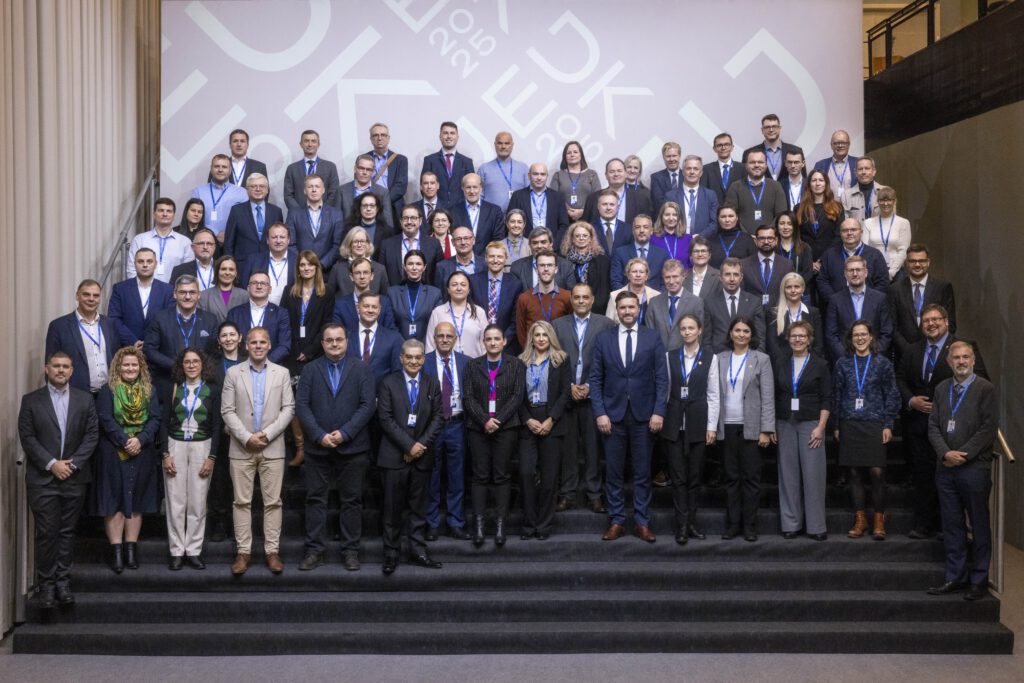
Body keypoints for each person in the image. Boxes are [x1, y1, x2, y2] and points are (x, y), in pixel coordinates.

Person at [896, 304, 987, 539]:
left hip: (953, 430)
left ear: (946, 322)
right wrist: (910, 400)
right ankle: (924, 523)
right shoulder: (912, 350)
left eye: (936, 319)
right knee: (922, 476)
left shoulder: (961, 349)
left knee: (949, 481)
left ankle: (947, 527)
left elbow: (981, 382)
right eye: (926, 320)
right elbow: (900, 379)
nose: (931, 324)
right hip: (918, 425)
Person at [18, 352, 99, 607]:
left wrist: (72, 464)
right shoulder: (31, 401)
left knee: (67, 532)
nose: (61, 370)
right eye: (56, 366)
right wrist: (52, 465)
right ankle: (47, 586)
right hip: (43, 479)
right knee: (46, 533)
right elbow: (28, 437)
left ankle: (63, 582)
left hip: (74, 478)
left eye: (65, 366)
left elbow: (91, 435)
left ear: (72, 371)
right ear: (47, 369)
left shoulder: (85, 400)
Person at [295, 323, 377, 572]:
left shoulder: (362, 369)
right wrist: (319, 435)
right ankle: (314, 551)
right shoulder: (310, 370)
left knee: (351, 500)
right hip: (317, 447)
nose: (334, 344)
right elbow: (302, 406)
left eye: (338, 340)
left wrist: (345, 433)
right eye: (329, 340)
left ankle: (350, 551)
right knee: (315, 499)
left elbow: (367, 406)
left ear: (346, 341)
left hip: (352, 447)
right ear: (322, 344)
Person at [589, 291, 668, 542]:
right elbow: (595, 379)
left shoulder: (652, 338)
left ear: (638, 308)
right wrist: (600, 412)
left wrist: (658, 411)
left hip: (645, 417)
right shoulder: (603, 339)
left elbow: (661, 379)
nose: (627, 312)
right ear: (616, 309)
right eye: (622, 308)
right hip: (612, 416)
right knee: (613, 472)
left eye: (631, 307)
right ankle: (617, 520)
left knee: (643, 472)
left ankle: (642, 522)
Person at [926, 342, 999, 602]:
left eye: (965, 356)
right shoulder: (941, 389)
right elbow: (933, 425)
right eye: (956, 357)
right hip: (945, 469)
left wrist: (963, 455)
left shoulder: (986, 389)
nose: (960, 361)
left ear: (973, 360)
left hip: (974, 469)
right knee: (952, 525)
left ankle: (978, 579)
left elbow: (988, 428)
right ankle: (955, 577)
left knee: (978, 524)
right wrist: (945, 453)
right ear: (948, 362)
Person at [221, 326, 295, 576]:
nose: (258, 346)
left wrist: (268, 434)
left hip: (272, 446)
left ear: (270, 345)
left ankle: (271, 552)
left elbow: (288, 409)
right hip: (241, 448)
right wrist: (246, 437)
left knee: (273, 502)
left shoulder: (282, 373)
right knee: (241, 502)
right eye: (254, 342)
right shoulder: (233, 373)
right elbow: (227, 411)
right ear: (246, 345)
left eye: (263, 342)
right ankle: (244, 552)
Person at [376, 339, 445, 574]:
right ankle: (391, 554)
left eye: (418, 357)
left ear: (423, 359)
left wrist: (419, 446)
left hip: (422, 457)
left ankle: (418, 551)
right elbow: (385, 419)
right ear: (401, 359)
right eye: (409, 357)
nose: (414, 361)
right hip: (393, 457)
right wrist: (408, 446)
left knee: (419, 508)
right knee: (392, 509)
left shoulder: (432, 382)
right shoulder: (388, 383)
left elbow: (438, 417)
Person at [94, 347, 162, 572]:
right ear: (117, 367)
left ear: (141, 367)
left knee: (137, 500)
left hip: (143, 451)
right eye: (126, 365)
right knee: (115, 500)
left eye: (134, 365)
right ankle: (117, 552)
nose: (130, 368)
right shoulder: (108, 390)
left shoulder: (150, 390)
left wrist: (140, 440)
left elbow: (155, 419)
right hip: (113, 451)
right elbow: (105, 419)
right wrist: (125, 441)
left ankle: (131, 550)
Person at [832, 321, 900, 541]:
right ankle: (860, 519)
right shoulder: (842, 363)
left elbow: (892, 394)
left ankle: (879, 519)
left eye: (864, 334)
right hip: (849, 422)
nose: (860, 338)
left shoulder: (883, 364)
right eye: (855, 335)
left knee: (877, 472)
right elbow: (836, 395)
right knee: (854, 473)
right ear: (851, 339)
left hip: (875, 423)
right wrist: (836, 424)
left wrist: (888, 423)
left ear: (872, 337)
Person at [552, 283, 616, 513]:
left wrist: (589, 386)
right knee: (568, 449)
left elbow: (611, 359)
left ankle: (594, 494)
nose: (580, 301)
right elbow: (553, 359)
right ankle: (567, 494)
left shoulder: (606, 324)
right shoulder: (557, 325)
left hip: (594, 396)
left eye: (585, 297)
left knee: (592, 449)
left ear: (592, 300)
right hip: (565, 396)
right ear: (572, 300)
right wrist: (569, 386)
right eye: (576, 297)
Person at [464, 324, 526, 547]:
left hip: (506, 427)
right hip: (477, 427)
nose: (492, 342)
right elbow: (468, 397)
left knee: (501, 475)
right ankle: (479, 526)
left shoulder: (516, 364)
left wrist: (497, 420)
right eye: (488, 339)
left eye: (496, 339)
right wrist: (484, 420)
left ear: (504, 341)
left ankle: (501, 525)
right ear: (483, 342)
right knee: (480, 476)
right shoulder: (472, 366)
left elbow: (517, 396)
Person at [713, 317, 774, 541]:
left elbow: (767, 396)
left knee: (750, 479)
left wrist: (766, 429)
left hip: (751, 427)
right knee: (731, 478)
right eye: (737, 330)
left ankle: (749, 525)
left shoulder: (762, 359)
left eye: (745, 331)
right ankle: (732, 524)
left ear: (751, 334)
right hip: (726, 426)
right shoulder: (719, 359)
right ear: (730, 333)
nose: (741, 334)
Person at [659, 314, 718, 544]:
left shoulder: (710, 358)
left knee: (694, 478)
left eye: (691, 328)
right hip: (674, 423)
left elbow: (714, 395)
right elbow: (665, 391)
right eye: (682, 328)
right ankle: (680, 524)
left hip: (698, 422)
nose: (686, 332)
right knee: (678, 477)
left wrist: (711, 426)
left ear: (700, 330)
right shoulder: (669, 356)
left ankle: (691, 522)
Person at [160, 348, 219, 570]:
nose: (192, 365)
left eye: (196, 361)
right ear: (181, 365)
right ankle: (176, 551)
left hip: (202, 446)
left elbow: (216, 425)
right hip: (175, 445)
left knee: (197, 500)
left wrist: (211, 457)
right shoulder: (173, 388)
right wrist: (165, 454)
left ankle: (194, 550)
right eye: (187, 362)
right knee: (176, 500)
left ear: (203, 364)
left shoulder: (212, 389)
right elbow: (164, 423)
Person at [774, 321, 831, 541]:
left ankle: (816, 526)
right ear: (788, 339)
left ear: (809, 339)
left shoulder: (820, 364)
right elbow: (775, 394)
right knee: (787, 475)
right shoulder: (780, 362)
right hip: (785, 423)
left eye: (802, 336)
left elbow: (827, 398)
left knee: (813, 475)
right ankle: (791, 524)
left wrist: (821, 427)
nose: (798, 339)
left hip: (812, 424)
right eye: (794, 336)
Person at [517, 321, 571, 540]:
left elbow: (566, 393)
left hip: (552, 422)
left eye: (544, 335)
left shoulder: (561, 360)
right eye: (536, 335)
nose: (540, 339)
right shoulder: (521, 362)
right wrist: (527, 419)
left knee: (549, 478)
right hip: (528, 421)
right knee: (526, 473)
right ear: (531, 338)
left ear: (551, 338)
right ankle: (529, 524)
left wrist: (551, 419)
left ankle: (544, 526)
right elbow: (516, 396)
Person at [280, 251, 333, 465]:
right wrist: (291, 349)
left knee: (314, 401)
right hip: (291, 355)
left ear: (317, 267)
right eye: (302, 265)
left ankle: (315, 445)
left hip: (315, 355)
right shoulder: (289, 291)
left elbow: (326, 324)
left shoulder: (326, 292)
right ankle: (300, 448)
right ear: (298, 268)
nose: (306, 268)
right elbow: (284, 321)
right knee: (292, 402)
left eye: (310, 265)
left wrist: (310, 350)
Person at [422, 322, 472, 541]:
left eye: (448, 336)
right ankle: (431, 523)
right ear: (434, 338)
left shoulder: (466, 363)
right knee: (431, 475)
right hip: (432, 426)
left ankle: (455, 521)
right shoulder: (424, 362)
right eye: (440, 336)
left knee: (456, 474)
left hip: (457, 424)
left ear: (455, 339)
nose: (444, 339)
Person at [205, 321, 246, 542]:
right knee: (219, 478)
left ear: (240, 338)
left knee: (240, 479)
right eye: (224, 336)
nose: (228, 339)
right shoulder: (211, 365)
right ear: (219, 341)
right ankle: (219, 522)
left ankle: (238, 524)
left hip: (245, 429)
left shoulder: (249, 362)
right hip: (218, 429)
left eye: (232, 334)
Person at [46, 279, 118, 394]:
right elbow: (51, 366)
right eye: (86, 294)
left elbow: (116, 359)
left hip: (107, 394)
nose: (91, 299)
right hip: (75, 396)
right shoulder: (59, 326)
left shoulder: (110, 324)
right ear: (77, 296)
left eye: (96, 295)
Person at [888, 243, 957, 358]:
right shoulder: (894, 290)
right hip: (904, 355)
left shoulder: (943, 288)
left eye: (922, 261)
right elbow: (892, 326)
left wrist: (935, 345)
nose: (917, 264)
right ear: (906, 264)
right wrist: (907, 350)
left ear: (928, 262)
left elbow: (950, 323)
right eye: (912, 261)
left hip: (935, 353)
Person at [825, 255, 894, 361]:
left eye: (858, 270)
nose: (855, 274)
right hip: (846, 360)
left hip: (874, 360)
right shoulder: (835, 300)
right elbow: (831, 335)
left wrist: (873, 355)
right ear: (845, 274)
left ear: (866, 273)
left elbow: (886, 332)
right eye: (851, 270)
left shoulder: (880, 298)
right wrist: (845, 357)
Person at [109, 249, 175, 349]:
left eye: (149, 261)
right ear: (134, 264)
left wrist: (149, 343)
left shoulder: (168, 290)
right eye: (140, 261)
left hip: (158, 350)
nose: (145, 265)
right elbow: (114, 319)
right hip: (128, 350)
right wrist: (133, 341)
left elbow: (170, 321)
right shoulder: (120, 289)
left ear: (155, 264)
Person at [817, 219, 890, 305]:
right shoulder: (829, 255)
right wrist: (835, 301)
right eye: (845, 230)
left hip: (869, 308)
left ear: (861, 232)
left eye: (853, 230)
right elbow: (822, 281)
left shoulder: (875, 255)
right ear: (840, 233)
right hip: (837, 308)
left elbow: (883, 282)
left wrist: (869, 301)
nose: (849, 233)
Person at [222, 173, 284, 272]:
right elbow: (229, 243)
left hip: (270, 264)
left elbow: (281, 240)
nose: (258, 189)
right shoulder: (236, 210)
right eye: (253, 186)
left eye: (262, 186)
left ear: (267, 190)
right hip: (242, 266)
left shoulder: (276, 211)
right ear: (247, 190)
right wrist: (230, 266)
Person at [227, 271, 292, 364]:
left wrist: (265, 363)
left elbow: (284, 346)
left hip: (272, 368)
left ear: (270, 289)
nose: (259, 286)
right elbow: (231, 343)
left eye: (263, 283)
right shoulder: (234, 313)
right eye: (255, 283)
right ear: (248, 288)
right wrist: (246, 364)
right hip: (240, 367)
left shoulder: (281, 313)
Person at [703, 258, 766, 353]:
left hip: (748, 360)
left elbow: (760, 338)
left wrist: (756, 360)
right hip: (718, 360)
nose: (732, 279)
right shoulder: (709, 303)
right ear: (720, 277)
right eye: (727, 274)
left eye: (736, 275)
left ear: (741, 278)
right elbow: (706, 340)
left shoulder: (754, 302)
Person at [285, 173, 344, 273]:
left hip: (327, 272)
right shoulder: (293, 213)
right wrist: (304, 265)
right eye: (310, 186)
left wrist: (321, 265)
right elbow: (290, 244)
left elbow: (337, 245)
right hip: (301, 272)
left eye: (317, 186)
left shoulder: (336, 214)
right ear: (304, 190)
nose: (314, 190)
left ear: (323, 190)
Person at [127, 198, 195, 282]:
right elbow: (132, 270)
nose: (165, 214)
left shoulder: (185, 242)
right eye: (161, 210)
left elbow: (188, 272)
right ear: (154, 214)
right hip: (145, 291)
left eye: (169, 211)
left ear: (174, 215)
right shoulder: (140, 240)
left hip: (174, 292)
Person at [514, 250, 573, 347]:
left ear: (556, 269)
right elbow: (521, 331)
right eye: (542, 265)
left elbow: (570, 328)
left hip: (559, 353)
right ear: (536, 269)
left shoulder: (567, 297)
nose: (546, 269)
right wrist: (528, 352)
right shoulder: (524, 298)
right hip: (532, 355)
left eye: (550, 265)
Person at [469, 241, 523, 345]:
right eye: (491, 256)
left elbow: (515, 319)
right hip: (477, 341)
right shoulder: (473, 281)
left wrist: (503, 339)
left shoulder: (515, 284)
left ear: (505, 258)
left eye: (499, 256)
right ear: (485, 258)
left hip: (505, 343)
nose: (495, 260)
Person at [425, 271, 487, 358]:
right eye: (454, 284)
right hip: (445, 367)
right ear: (448, 290)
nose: (459, 288)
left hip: (474, 366)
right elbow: (430, 344)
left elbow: (485, 343)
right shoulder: (438, 312)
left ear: (469, 290)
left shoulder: (479, 312)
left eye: (463, 285)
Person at [645, 259, 704, 351]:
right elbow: (650, 334)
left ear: (683, 277)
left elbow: (700, 335)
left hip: (685, 358)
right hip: (660, 357)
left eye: (675, 276)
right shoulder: (654, 303)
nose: (671, 281)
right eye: (667, 277)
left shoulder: (696, 302)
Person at [724, 149, 787, 233]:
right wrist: (746, 235)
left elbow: (781, 215)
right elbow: (730, 215)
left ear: (766, 165)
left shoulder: (776, 186)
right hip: (742, 238)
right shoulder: (735, 187)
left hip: (770, 238)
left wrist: (766, 234)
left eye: (760, 162)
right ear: (746, 165)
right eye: (752, 162)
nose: (756, 165)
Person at [765, 272, 824, 362]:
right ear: (783, 290)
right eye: (788, 287)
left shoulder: (813, 313)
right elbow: (772, 345)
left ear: (803, 289)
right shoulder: (773, 314)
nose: (793, 290)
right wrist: (785, 366)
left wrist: (808, 364)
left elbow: (818, 345)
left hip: (809, 366)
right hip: (781, 366)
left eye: (797, 287)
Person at [378, 205, 443, 287]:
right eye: (405, 218)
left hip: (426, 296)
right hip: (395, 297)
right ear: (401, 221)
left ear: (420, 221)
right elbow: (382, 276)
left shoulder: (434, 244)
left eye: (413, 218)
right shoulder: (387, 245)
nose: (409, 222)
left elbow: (439, 276)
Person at [349, 291, 404, 386]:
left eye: (374, 307)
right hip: (351, 396)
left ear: (379, 310)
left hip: (382, 397)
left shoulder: (394, 338)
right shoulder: (346, 337)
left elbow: (397, 374)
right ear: (358, 308)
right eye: (366, 306)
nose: (370, 310)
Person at [389, 250, 444, 343]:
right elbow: (389, 324)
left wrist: (422, 346)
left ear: (424, 267)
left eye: (418, 264)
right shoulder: (392, 293)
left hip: (426, 347)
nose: (414, 268)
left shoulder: (435, 294)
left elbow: (437, 324)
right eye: (410, 264)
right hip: (398, 347)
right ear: (405, 267)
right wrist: (403, 345)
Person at [331, 256, 398, 332]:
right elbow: (337, 334)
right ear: (351, 277)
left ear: (372, 276)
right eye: (357, 273)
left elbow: (391, 331)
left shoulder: (384, 302)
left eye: (365, 272)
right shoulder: (340, 305)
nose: (362, 277)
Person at [581, 158, 653, 226]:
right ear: (606, 175)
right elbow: (585, 226)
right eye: (612, 171)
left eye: (619, 171)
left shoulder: (641, 198)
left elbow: (647, 226)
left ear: (625, 174)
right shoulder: (593, 199)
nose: (616, 174)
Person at [560, 221, 611, 314]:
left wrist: (594, 307)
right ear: (572, 239)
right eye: (577, 236)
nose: (581, 238)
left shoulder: (602, 260)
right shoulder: (564, 260)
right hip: (569, 309)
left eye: (585, 235)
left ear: (591, 238)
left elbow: (604, 288)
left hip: (596, 309)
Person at [795, 169, 844, 265]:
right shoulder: (799, 208)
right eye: (814, 180)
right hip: (806, 261)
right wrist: (809, 262)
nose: (817, 184)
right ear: (809, 184)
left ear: (826, 184)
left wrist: (821, 260)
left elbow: (839, 236)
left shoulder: (837, 207)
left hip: (830, 259)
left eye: (821, 180)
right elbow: (797, 237)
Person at [190, 155, 248, 238]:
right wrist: (216, 233)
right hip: (205, 240)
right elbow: (194, 217)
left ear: (230, 170)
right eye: (217, 166)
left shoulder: (241, 192)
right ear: (211, 168)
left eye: (224, 167)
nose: (220, 170)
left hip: (233, 240)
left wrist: (227, 235)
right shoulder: (198, 191)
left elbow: (245, 220)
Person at [283, 129, 340, 211]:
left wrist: (322, 211)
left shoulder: (330, 167)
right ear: (301, 144)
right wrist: (300, 213)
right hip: (299, 218)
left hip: (325, 216)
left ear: (318, 144)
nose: (310, 144)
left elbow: (334, 193)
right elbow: (288, 196)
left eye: (313, 141)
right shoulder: (292, 169)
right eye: (306, 141)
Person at [334, 154, 395, 231]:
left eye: (368, 169)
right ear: (355, 169)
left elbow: (388, 222)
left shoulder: (383, 192)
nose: (364, 172)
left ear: (373, 172)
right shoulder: (341, 191)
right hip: (349, 236)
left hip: (375, 238)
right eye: (361, 168)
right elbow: (336, 221)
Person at [421, 121, 475, 207]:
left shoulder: (467, 162)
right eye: (445, 133)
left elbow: (471, 187)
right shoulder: (430, 160)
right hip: (437, 211)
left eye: (452, 133)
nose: (449, 136)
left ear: (457, 137)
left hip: (460, 210)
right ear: (440, 137)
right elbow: (424, 187)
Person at [507, 162, 569, 237]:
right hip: (525, 246)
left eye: (543, 174)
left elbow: (564, 225)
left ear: (547, 176)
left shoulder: (558, 197)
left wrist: (554, 245)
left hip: (551, 246)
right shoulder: (517, 196)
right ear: (529, 176)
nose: (539, 178)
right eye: (535, 174)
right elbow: (510, 222)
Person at [664, 154, 719, 238]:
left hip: (702, 244)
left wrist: (700, 236)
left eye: (696, 169)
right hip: (678, 241)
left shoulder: (710, 195)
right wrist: (682, 239)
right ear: (682, 172)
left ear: (701, 173)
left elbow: (714, 223)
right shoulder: (670, 196)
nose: (692, 172)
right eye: (688, 168)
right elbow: (666, 221)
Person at [611, 214, 670, 291]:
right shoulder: (620, 253)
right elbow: (616, 281)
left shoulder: (662, 254)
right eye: (637, 227)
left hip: (655, 300)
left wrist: (656, 299)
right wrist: (627, 299)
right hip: (627, 300)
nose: (641, 230)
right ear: (632, 231)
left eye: (645, 227)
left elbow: (665, 282)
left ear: (651, 231)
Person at [741, 224, 794, 310]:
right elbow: (741, 293)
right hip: (752, 313)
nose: (766, 242)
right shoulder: (744, 264)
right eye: (762, 238)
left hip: (778, 312)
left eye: (770, 238)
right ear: (755, 241)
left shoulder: (787, 265)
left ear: (776, 240)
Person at [864, 186, 912, 281]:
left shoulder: (903, 223)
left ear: (894, 202)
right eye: (882, 200)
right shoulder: (868, 223)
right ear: (878, 202)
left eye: (889, 200)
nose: (885, 203)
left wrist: (891, 272)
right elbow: (865, 249)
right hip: (873, 270)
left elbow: (903, 251)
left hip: (897, 272)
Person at [449, 173, 505, 254]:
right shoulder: (452, 212)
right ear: (462, 188)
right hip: (461, 259)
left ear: (481, 188)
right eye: (468, 187)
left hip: (487, 261)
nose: (472, 191)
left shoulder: (495, 211)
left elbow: (498, 239)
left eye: (475, 187)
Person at [244, 222, 297, 306]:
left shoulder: (298, 261)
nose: (278, 241)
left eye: (282, 237)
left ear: (288, 240)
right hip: (259, 310)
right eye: (274, 237)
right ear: (268, 240)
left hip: (289, 312)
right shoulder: (253, 260)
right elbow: (245, 289)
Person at [327, 228, 390, 297]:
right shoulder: (337, 269)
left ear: (368, 244)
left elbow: (385, 299)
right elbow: (329, 298)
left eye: (362, 241)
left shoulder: (380, 269)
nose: (359, 245)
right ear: (349, 245)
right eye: (355, 241)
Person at [509, 227, 576, 291]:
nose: (539, 246)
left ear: (551, 244)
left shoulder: (566, 266)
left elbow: (570, 294)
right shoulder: (517, 267)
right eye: (535, 243)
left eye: (543, 242)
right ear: (529, 245)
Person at [742, 114, 804, 182]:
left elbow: (803, 180)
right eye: (767, 127)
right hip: (760, 191)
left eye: (774, 126)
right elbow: (745, 180)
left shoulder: (796, 150)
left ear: (779, 129)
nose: (771, 130)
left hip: (786, 192)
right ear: (762, 130)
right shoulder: (749, 153)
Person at [478, 130, 528, 211]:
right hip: (491, 218)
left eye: (507, 143)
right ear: (495, 145)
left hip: (517, 219)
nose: (503, 146)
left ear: (512, 145)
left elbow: (528, 195)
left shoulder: (523, 168)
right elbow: (479, 196)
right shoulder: (484, 169)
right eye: (500, 143)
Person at [366, 122, 409, 217]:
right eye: (375, 135)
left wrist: (382, 202)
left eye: (383, 135)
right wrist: (371, 203)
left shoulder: (400, 160)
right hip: (369, 207)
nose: (380, 138)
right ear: (371, 139)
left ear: (388, 138)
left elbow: (400, 187)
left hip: (393, 208)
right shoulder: (363, 159)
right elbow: (360, 184)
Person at [605, 258, 660, 327]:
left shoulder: (656, 296)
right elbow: (608, 323)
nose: (638, 275)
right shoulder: (614, 296)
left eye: (641, 272)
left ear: (646, 276)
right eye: (634, 271)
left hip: (649, 336)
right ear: (628, 275)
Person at [198, 255, 249, 323]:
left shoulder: (245, 296)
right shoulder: (204, 296)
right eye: (223, 269)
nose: (227, 273)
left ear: (236, 273)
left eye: (231, 269)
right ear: (217, 272)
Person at [701, 132, 746, 204]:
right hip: (714, 212)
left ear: (732, 147)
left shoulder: (743, 168)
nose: (723, 148)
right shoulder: (706, 169)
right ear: (714, 149)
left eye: (726, 144)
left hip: (737, 213)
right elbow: (703, 195)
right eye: (719, 145)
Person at [812, 129, 858, 199]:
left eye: (843, 143)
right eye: (836, 143)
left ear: (848, 144)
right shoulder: (820, 165)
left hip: (853, 208)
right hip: (828, 208)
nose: (840, 145)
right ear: (831, 145)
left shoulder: (857, 163)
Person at [708, 203, 756, 268]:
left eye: (731, 216)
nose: (727, 220)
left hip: (742, 277)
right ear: (718, 219)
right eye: (723, 216)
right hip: (716, 277)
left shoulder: (747, 239)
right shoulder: (711, 240)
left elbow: (754, 264)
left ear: (737, 218)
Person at [774, 210, 813, 285]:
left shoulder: (805, 248)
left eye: (789, 224)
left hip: (799, 291)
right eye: (782, 224)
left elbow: (808, 273)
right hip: (777, 291)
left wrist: (794, 286)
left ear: (794, 227)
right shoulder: (772, 248)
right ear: (777, 226)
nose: (785, 227)